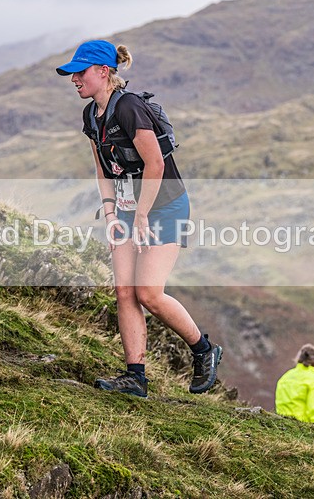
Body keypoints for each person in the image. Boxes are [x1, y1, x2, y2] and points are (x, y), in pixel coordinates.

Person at [56, 39, 222, 398]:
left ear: (103, 72)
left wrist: (142, 213)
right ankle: (136, 377)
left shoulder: (130, 108)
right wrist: (113, 211)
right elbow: (102, 168)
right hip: (128, 209)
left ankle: (204, 350)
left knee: (148, 292)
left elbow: (156, 164)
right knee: (124, 291)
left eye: (79, 73)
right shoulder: (91, 116)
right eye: (71, 74)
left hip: (165, 207)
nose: (73, 80)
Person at [275, 344, 314, 425]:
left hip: (281, 424)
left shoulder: (285, 376)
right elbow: (313, 411)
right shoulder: (313, 378)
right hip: (302, 425)